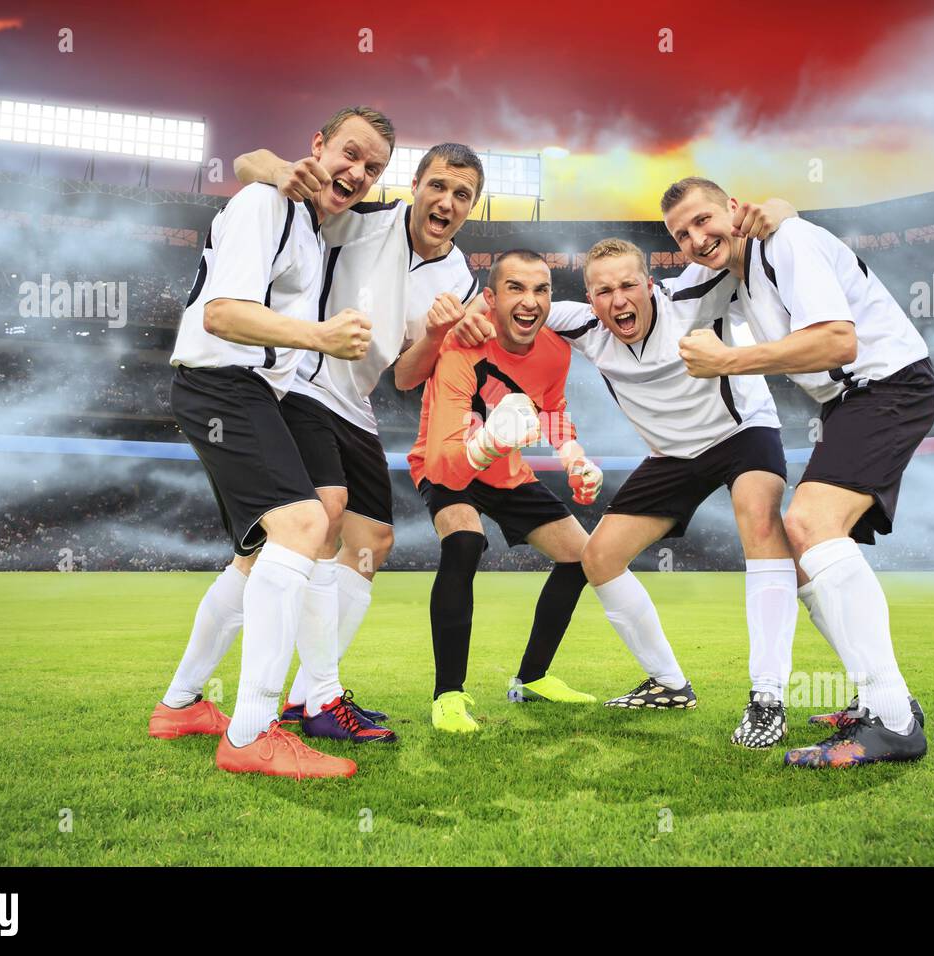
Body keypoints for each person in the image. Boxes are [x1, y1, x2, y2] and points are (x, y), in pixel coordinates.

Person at [147, 106, 393, 777]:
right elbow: (222, 313)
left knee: (270, 551)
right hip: (223, 383)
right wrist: (319, 337)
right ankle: (253, 732)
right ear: (318, 144)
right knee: (305, 524)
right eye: (350, 153)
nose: (358, 172)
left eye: (373, 168)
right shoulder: (268, 203)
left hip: (256, 394)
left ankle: (181, 705)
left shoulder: (308, 227)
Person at [664, 176, 934, 767]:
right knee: (799, 545)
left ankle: (892, 721)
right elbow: (664, 299)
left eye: (704, 220)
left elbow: (838, 341)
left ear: (734, 209)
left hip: (888, 386)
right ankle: (882, 703)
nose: (695, 238)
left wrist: (729, 361)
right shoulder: (738, 272)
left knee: (810, 525)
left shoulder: (785, 242)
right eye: (681, 234)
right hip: (852, 404)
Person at [231, 143, 492, 726]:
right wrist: (278, 169)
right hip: (301, 380)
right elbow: (249, 166)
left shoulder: (461, 279)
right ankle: (289, 700)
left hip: (354, 404)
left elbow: (404, 376)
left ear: (472, 207)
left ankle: (303, 694)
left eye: (462, 195)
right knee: (321, 516)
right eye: (439, 186)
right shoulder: (359, 219)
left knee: (373, 542)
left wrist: (436, 335)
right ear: (416, 185)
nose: (447, 202)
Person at [543, 226, 797, 748]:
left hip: (741, 432)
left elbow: (740, 242)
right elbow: (507, 305)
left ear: (651, 283)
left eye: (628, 285)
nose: (618, 300)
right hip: (671, 455)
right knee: (599, 558)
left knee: (761, 525)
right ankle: (669, 684)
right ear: (589, 298)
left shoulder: (694, 297)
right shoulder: (582, 325)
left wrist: (777, 215)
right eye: (604, 291)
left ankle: (768, 697)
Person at [408, 250, 603, 732]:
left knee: (584, 556)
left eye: (541, 290)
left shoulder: (556, 350)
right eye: (516, 288)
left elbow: (553, 411)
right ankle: (448, 695)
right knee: (465, 541)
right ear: (491, 298)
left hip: (507, 472)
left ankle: (532, 678)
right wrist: (490, 440)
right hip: (446, 462)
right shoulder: (460, 346)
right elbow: (448, 464)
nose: (530, 301)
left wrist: (575, 458)